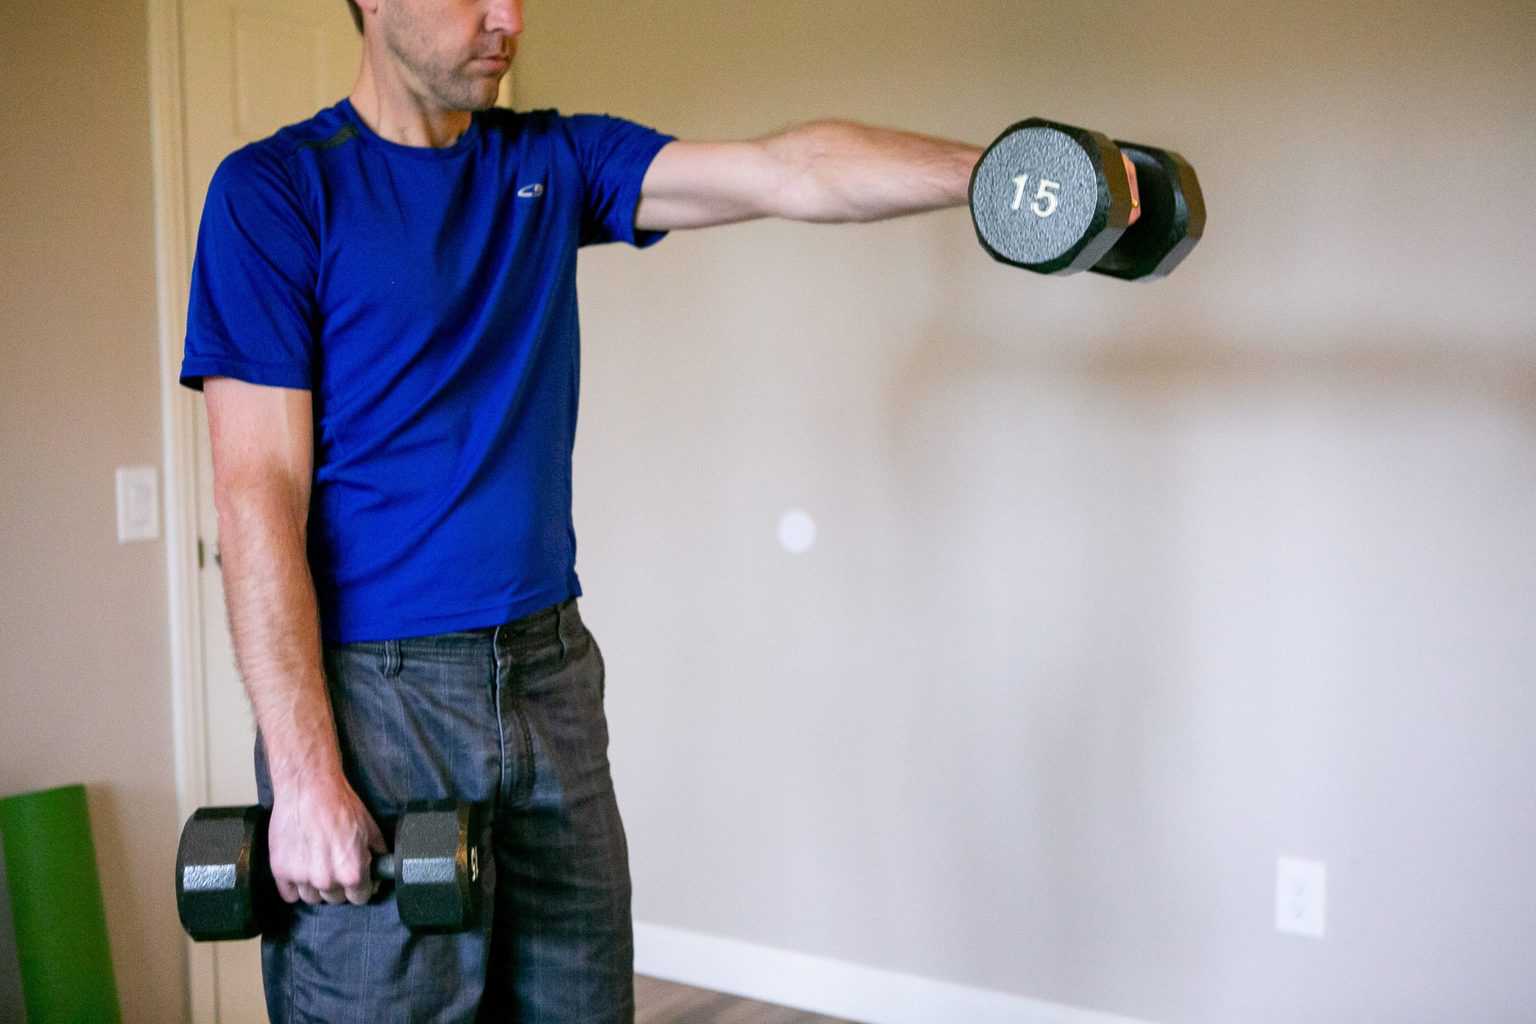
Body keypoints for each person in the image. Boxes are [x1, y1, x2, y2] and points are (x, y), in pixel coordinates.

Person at [180, 1, 1118, 1020]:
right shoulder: (276, 191)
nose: (509, 16)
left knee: (583, 1002)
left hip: (548, 671)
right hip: (377, 697)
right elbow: (255, 498)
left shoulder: (551, 162)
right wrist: (309, 775)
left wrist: (1011, 176)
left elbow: (791, 170)